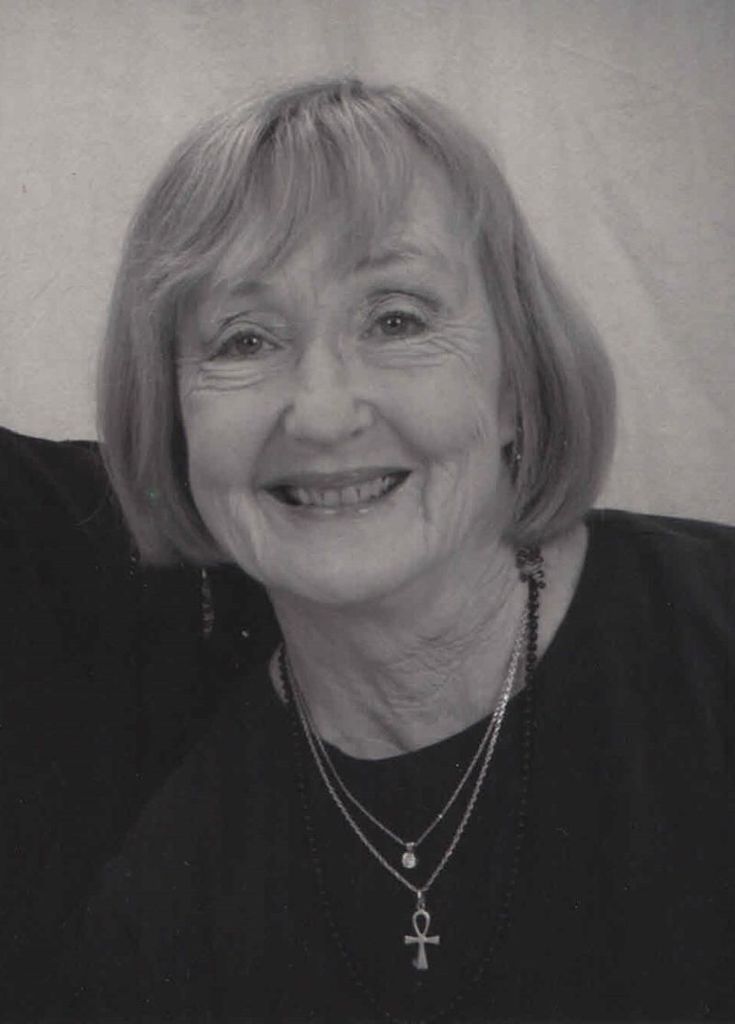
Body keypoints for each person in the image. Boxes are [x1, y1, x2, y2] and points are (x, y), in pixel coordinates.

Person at [4, 77, 732, 1022]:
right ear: (173, 422)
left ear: (519, 380)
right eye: (243, 340)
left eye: (396, 319)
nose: (320, 412)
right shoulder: (162, 889)